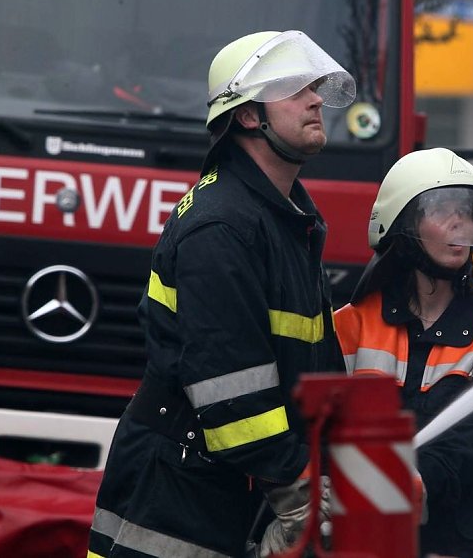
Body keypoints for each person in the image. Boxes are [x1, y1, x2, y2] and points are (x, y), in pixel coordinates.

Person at [87, 30, 354, 558]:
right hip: (180, 499)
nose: (317, 98)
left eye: (317, 86)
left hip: (230, 482)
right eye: (296, 89)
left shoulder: (279, 220)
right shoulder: (224, 227)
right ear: (249, 116)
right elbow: (231, 388)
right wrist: (298, 492)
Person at [334, 148, 473, 558]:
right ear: (401, 223)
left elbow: (472, 446)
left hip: (463, 542)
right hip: (362, 537)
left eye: (469, 211)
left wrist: (401, 485)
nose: (460, 222)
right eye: (443, 209)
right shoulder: (348, 326)